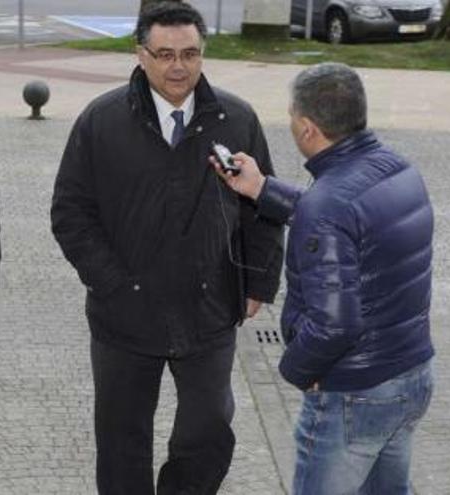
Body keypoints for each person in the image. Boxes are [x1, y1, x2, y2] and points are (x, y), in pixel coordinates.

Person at [50, 2, 284, 493]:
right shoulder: (102, 120)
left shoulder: (236, 119)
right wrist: (113, 282)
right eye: (164, 54)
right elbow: (70, 213)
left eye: (190, 54)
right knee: (121, 444)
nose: (178, 66)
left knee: (208, 433)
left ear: (203, 54)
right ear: (141, 55)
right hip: (124, 316)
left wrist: (258, 281)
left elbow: (265, 206)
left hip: (210, 309)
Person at [213, 62, 435, 495]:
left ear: (307, 127)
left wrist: (296, 368)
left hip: (355, 393)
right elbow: (344, 218)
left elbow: (336, 324)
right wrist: (262, 188)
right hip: (411, 376)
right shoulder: (397, 170)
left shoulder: (328, 205)